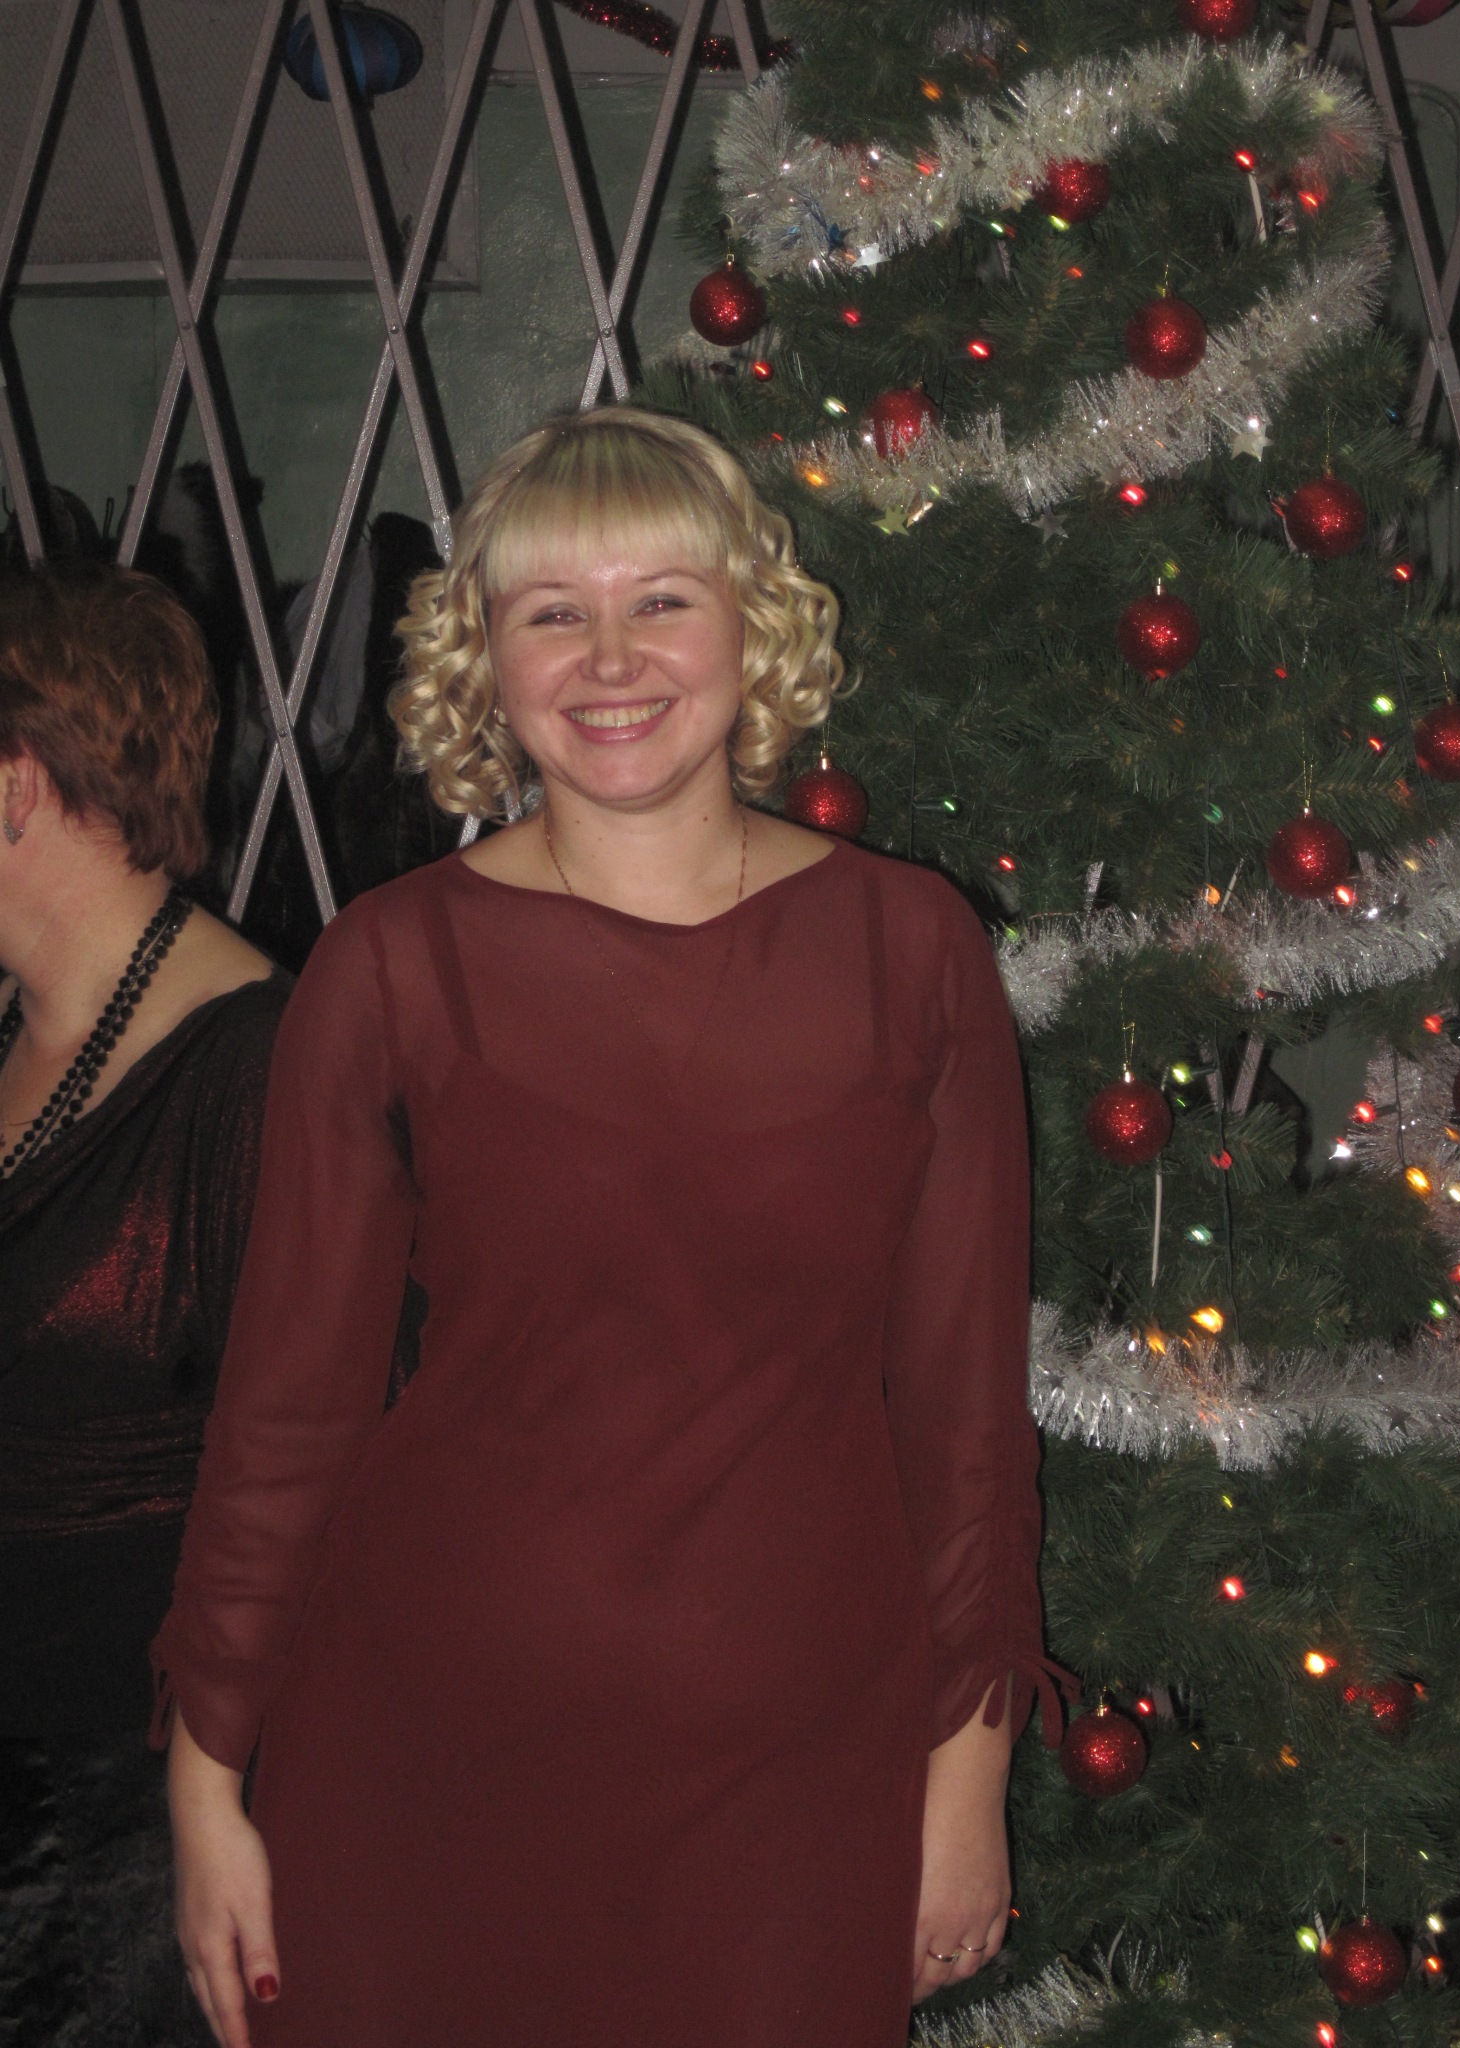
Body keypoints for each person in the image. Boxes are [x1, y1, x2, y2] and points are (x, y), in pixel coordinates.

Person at [158, 406, 1068, 2048]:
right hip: (415, 1772)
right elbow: (285, 1413)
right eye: (550, 613)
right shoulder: (389, 967)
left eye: (662, 599)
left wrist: (970, 1774)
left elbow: (964, 1424)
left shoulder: (910, 950)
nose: (609, 659)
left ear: (752, 629)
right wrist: (207, 1783)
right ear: (486, 661)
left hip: (797, 1779)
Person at [0, 563, 285, 2044]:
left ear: (14, 783)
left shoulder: (264, 1067)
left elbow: (328, 1497)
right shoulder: (20, 1029)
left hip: (130, 1839)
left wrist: (218, 1810)